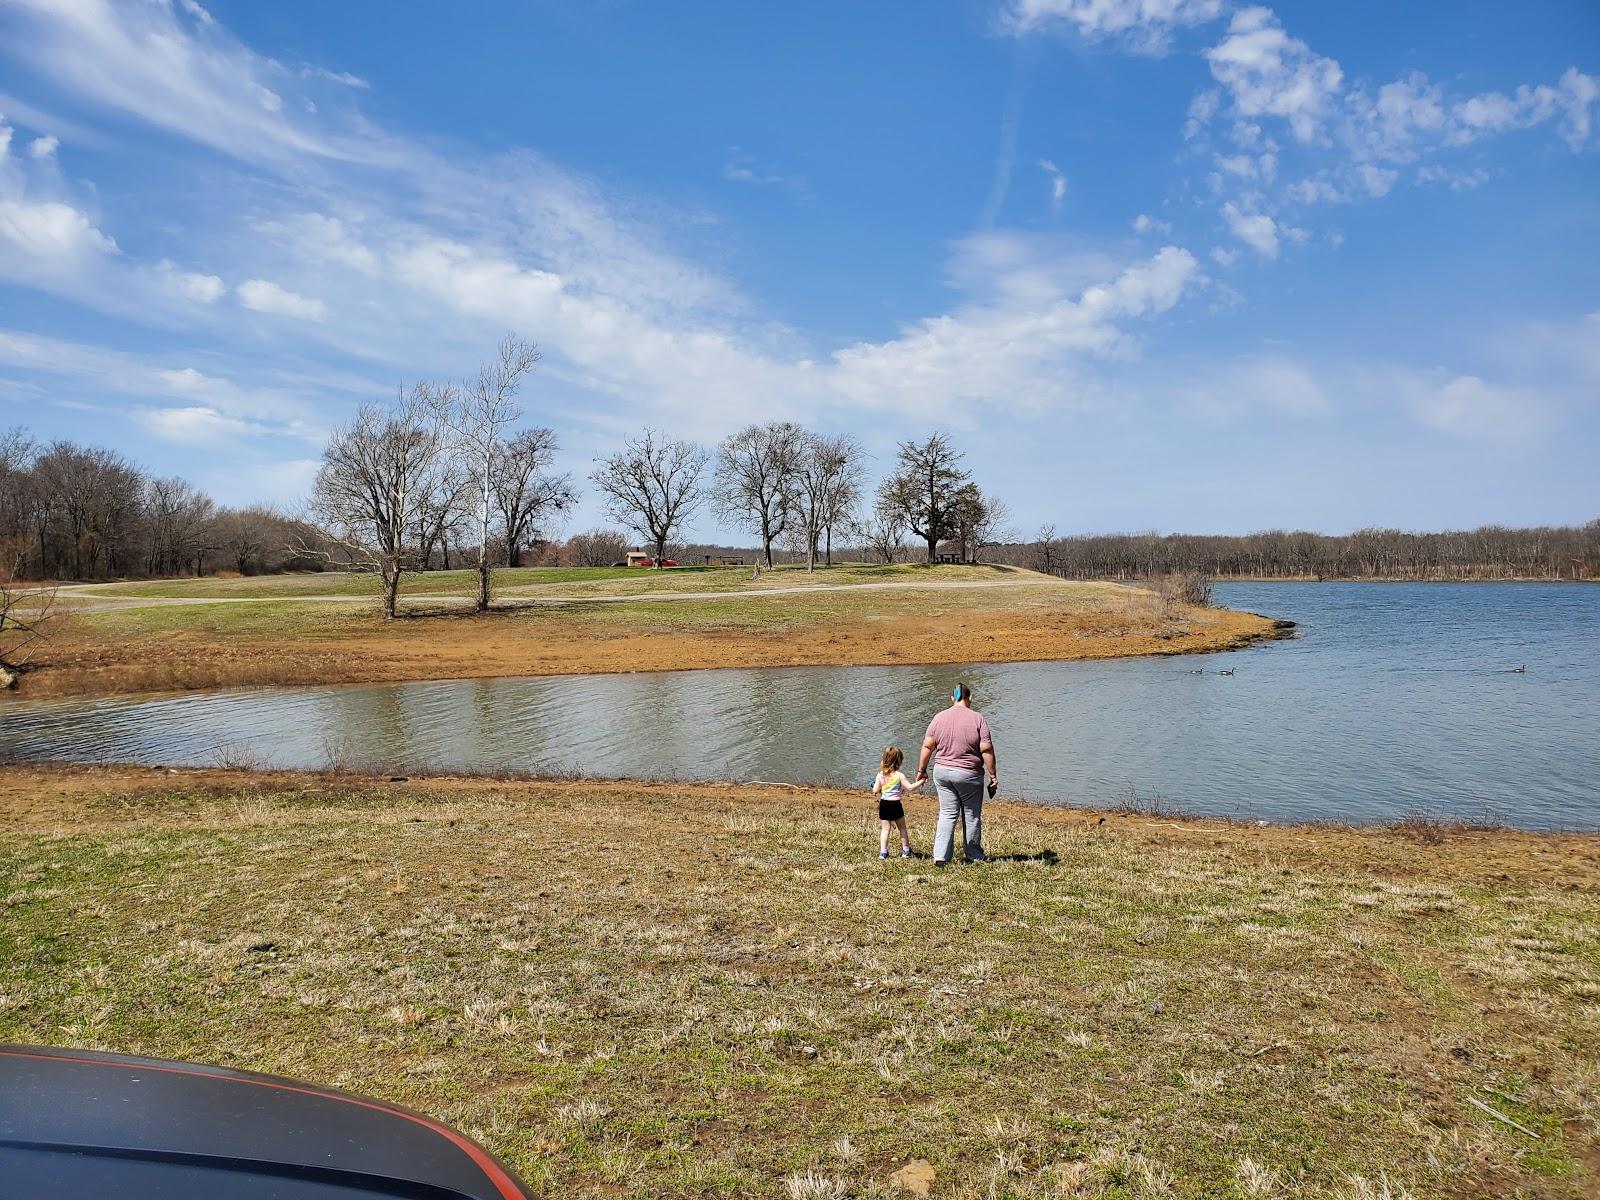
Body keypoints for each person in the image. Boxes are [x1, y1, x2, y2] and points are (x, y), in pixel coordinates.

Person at [916, 682, 997, 864]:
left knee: (947, 813)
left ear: (952, 698)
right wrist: (993, 776)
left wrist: (922, 770)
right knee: (971, 814)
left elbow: (927, 746)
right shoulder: (978, 719)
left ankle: (940, 856)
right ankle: (974, 854)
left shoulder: (938, 717)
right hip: (969, 774)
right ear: (970, 698)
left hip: (942, 773)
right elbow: (986, 750)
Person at [871, 746, 922, 860]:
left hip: (884, 804)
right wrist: (921, 781)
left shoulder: (880, 775)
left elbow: (875, 790)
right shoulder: (899, 775)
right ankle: (906, 851)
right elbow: (910, 788)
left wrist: (876, 786)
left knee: (885, 829)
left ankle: (883, 853)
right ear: (899, 761)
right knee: (902, 828)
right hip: (895, 805)